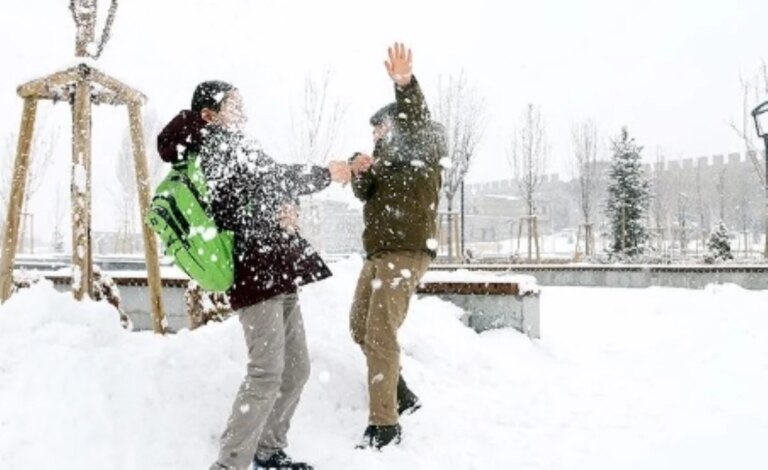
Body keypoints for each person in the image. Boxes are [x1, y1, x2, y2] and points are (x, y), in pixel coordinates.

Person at [157, 80, 351, 470]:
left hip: (279, 268)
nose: (243, 112)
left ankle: (269, 449)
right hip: (255, 272)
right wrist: (323, 174)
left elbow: (266, 186)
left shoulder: (238, 145)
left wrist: (287, 206)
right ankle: (230, 464)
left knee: (297, 369)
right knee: (266, 373)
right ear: (210, 114)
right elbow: (265, 180)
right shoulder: (214, 147)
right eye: (234, 105)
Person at [347, 43, 446, 450]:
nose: (376, 136)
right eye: (373, 133)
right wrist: (358, 167)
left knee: (381, 333)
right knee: (359, 327)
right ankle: (401, 393)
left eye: (380, 129)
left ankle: (385, 424)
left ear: (396, 125)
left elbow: (416, 118)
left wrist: (404, 84)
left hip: (405, 253)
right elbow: (364, 192)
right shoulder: (384, 161)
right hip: (379, 254)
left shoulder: (422, 144)